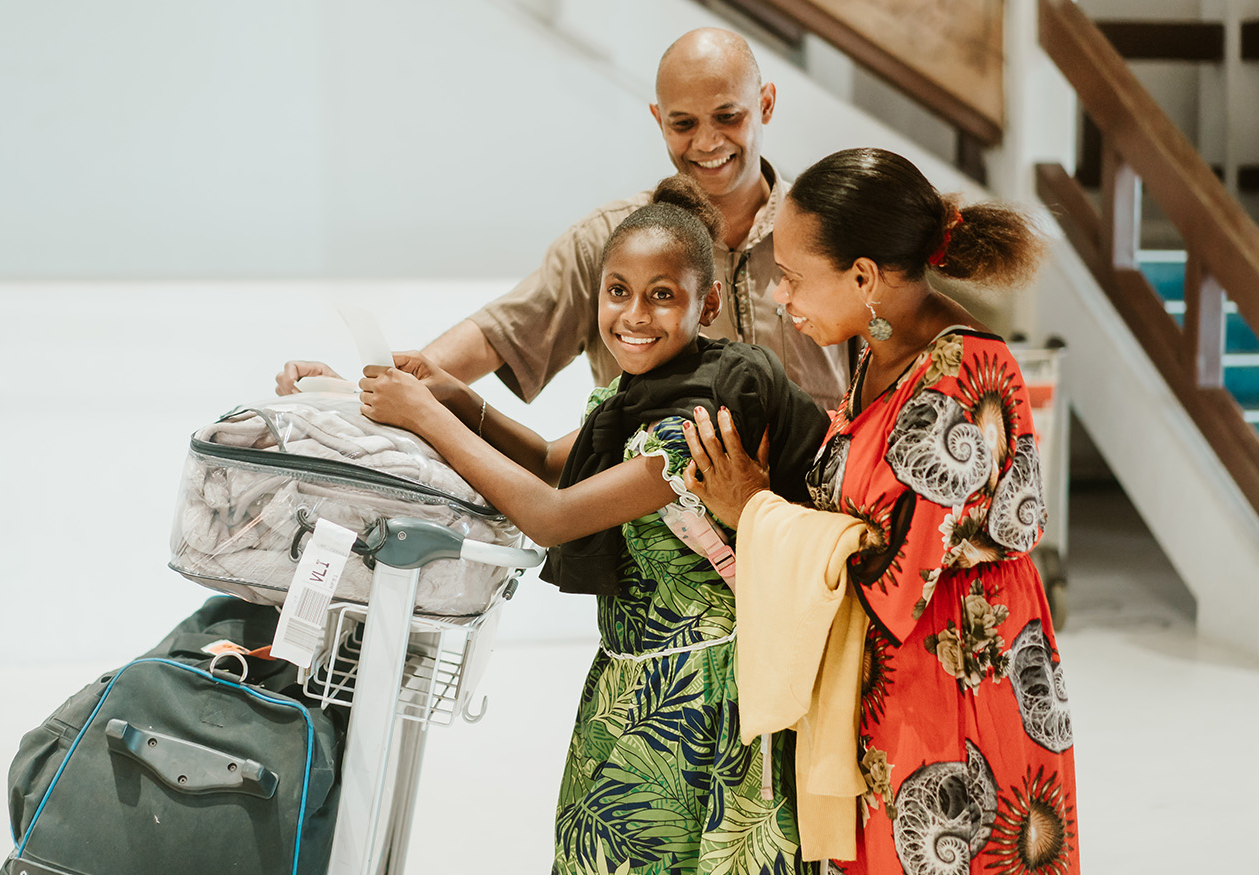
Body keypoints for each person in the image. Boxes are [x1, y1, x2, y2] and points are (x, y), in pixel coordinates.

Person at [359, 176, 829, 875]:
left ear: (709, 303)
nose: (634, 315)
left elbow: (551, 515)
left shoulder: (694, 423)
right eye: (617, 291)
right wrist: (458, 398)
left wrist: (424, 416)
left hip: (701, 705)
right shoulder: (642, 392)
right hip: (635, 685)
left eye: (661, 295)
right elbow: (557, 461)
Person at [684, 147, 1079, 875]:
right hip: (896, 689)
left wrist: (755, 509)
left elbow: (896, 575)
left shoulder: (963, 371)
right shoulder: (881, 347)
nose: (781, 298)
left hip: (954, 697)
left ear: (864, 277)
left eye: (794, 278)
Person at [278, 27, 851, 412]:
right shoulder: (610, 240)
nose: (706, 142)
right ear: (657, 118)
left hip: (811, 552)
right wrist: (352, 394)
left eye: (728, 116)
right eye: (682, 124)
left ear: (767, 105)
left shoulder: (830, 229)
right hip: (659, 559)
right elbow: (495, 335)